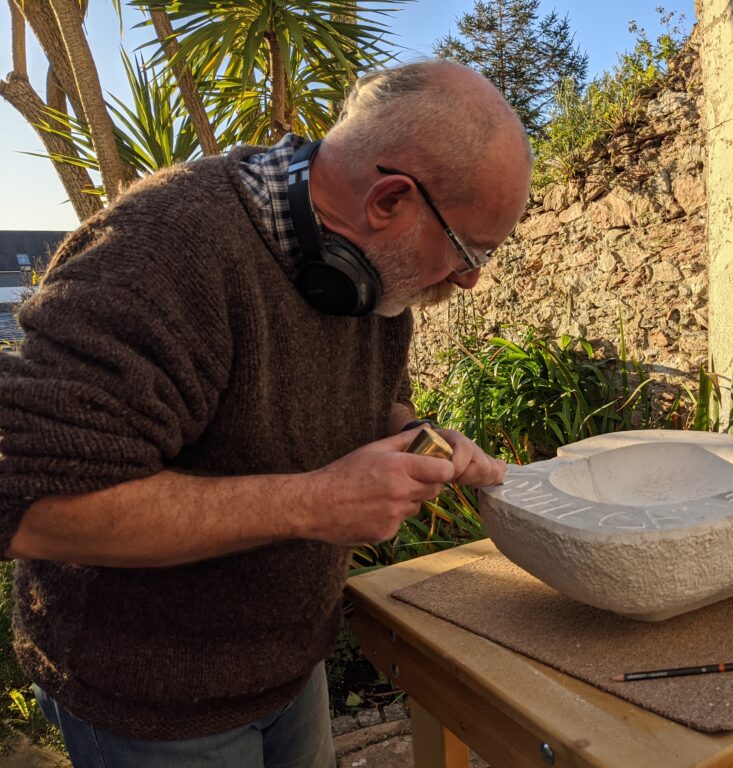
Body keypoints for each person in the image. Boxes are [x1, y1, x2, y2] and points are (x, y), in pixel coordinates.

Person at [0, 60, 533, 767]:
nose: (469, 279)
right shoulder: (157, 253)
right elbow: (32, 507)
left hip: (288, 667)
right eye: (471, 251)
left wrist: (418, 437)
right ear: (389, 200)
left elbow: (371, 400)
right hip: (151, 708)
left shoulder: (370, 271)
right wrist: (313, 503)